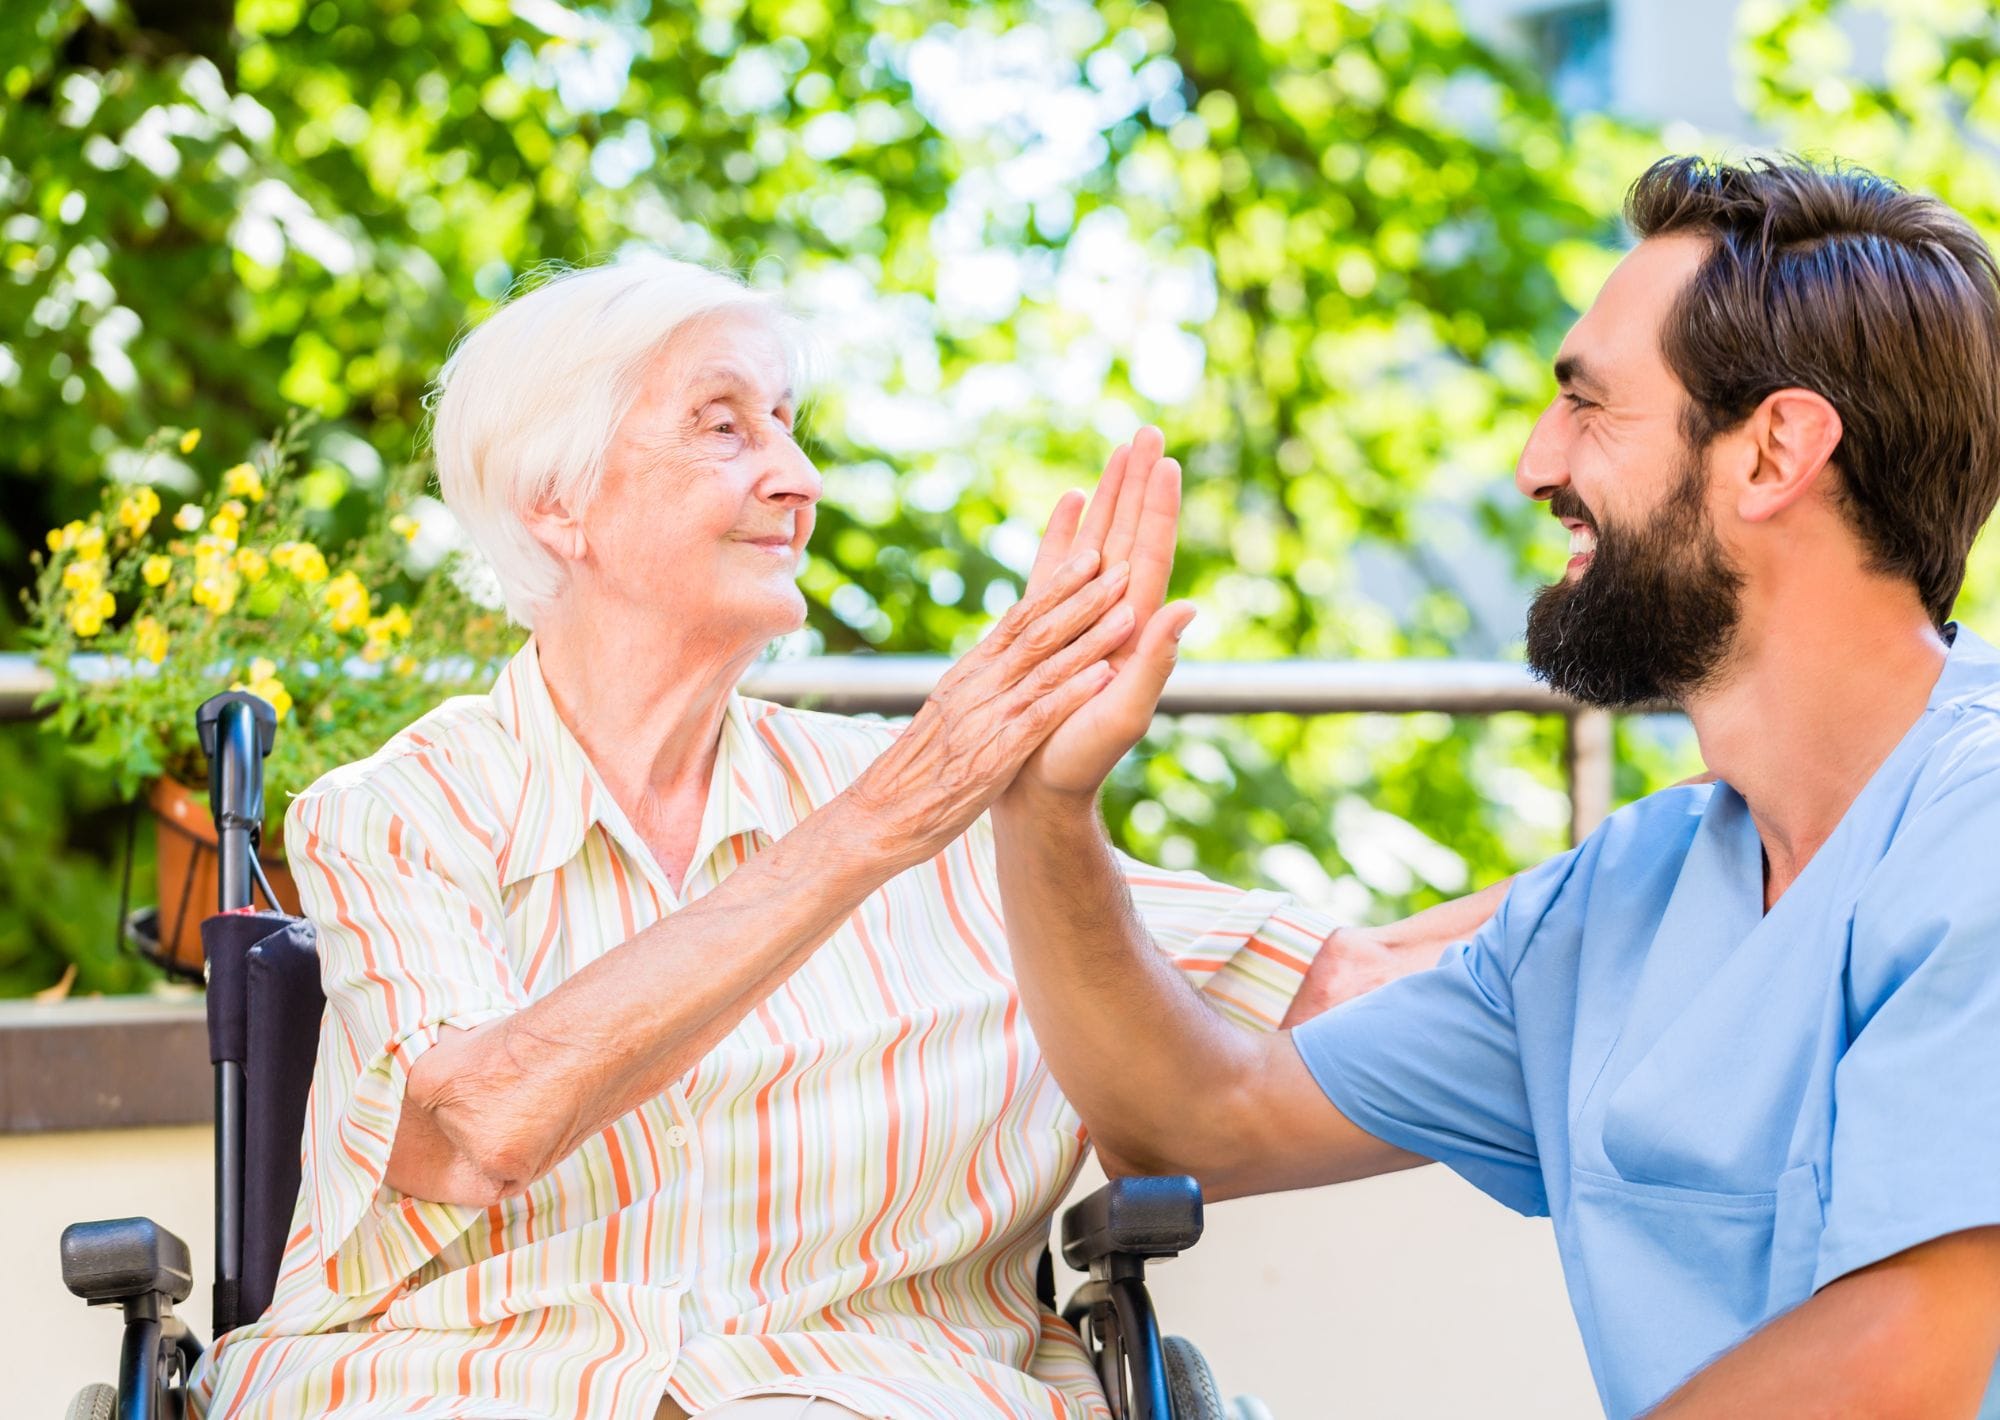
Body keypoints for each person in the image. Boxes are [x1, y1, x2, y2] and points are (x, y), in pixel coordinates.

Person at [189, 256, 1359, 1420]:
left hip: (866, 1390)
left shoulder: (944, 804)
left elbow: (1329, 983)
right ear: (559, 499)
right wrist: (876, 826)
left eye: (789, 426)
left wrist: (1548, 916)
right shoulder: (402, 810)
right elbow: (474, 1127)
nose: (796, 479)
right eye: (724, 426)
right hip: (464, 1384)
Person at [992, 154, 2000, 1418]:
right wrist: (1042, 804)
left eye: (1588, 406)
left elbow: (1901, 1367)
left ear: (1772, 453)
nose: (1534, 462)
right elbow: (1199, 1121)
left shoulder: (1978, 827)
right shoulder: (1622, 901)